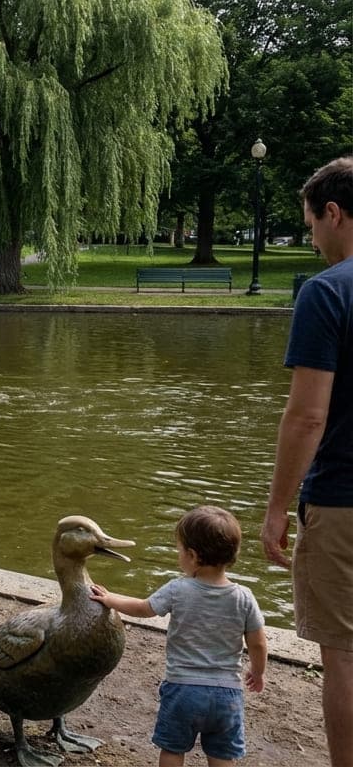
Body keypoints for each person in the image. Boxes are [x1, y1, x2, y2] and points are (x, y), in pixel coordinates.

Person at [261, 155, 353, 767]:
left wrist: (274, 511)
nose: (313, 238)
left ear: (334, 213)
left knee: (344, 652)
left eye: (312, 224)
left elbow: (306, 418)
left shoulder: (326, 293)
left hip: (344, 500)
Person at [91, 506, 267, 767]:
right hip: (227, 694)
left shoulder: (177, 589)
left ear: (193, 556)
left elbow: (143, 608)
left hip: (183, 690)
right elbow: (258, 642)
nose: (179, 555)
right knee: (222, 754)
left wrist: (110, 599)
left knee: (173, 749)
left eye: (180, 550)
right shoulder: (244, 597)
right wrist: (258, 671)